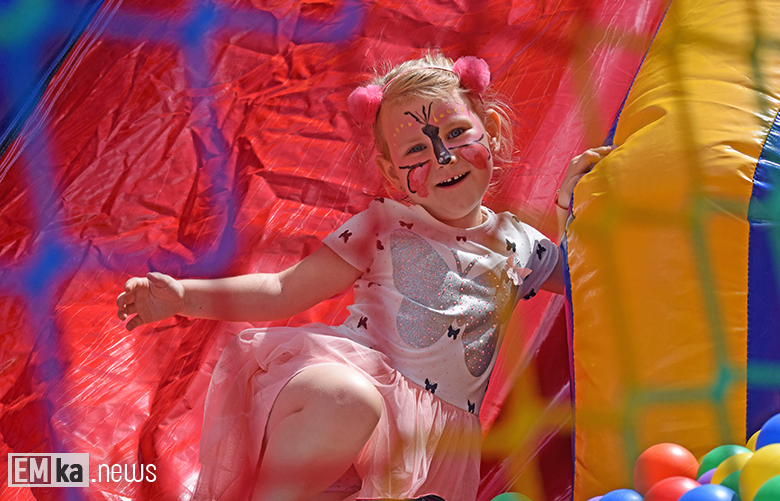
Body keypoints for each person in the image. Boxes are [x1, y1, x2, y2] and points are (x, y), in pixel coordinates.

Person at [116, 52, 612, 501]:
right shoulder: (383, 226)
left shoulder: (520, 244)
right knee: (349, 400)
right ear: (394, 175)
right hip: (345, 393)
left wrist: (573, 200)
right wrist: (182, 296)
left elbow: (587, 276)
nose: (442, 156)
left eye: (458, 133)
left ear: (493, 130)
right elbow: (282, 289)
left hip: (425, 451)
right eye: (415, 150)